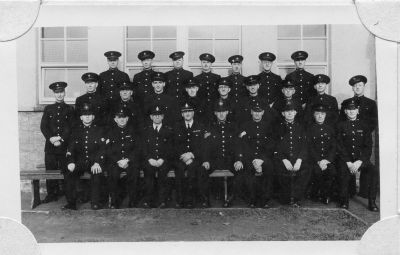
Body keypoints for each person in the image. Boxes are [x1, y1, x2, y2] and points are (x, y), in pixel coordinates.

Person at [336, 100, 378, 211]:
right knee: (342, 170)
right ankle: (344, 201)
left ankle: (372, 202)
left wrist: (360, 161)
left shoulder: (364, 126)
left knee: (373, 170)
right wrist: (349, 162)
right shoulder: (340, 126)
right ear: (345, 111)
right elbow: (339, 146)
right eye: (349, 110)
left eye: (353, 109)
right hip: (346, 160)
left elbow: (368, 147)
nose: (351, 112)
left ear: (357, 110)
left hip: (360, 160)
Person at [64, 103, 106, 210]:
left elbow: (103, 149)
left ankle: (95, 202)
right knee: (69, 173)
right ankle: (71, 203)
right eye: (85, 114)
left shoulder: (99, 130)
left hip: (94, 162)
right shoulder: (75, 130)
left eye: (90, 114)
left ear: (93, 117)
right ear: (81, 117)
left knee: (97, 172)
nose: (87, 116)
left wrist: (98, 162)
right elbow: (71, 148)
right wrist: (71, 162)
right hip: (80, 162)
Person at [202, 100, 243, 207]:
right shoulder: (210, 127)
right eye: (218, 112)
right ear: (215, 113)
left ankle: (230, 197)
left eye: (223, 111)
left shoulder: (233, 127)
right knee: (202, 170)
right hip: (214, 160)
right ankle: (206, 199)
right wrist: (206, 160)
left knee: (240, 169)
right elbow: (206, 146)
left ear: (227, 112)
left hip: (229, 160)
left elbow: (238, 145)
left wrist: (239, 159)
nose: (221, 114)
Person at [40, 81, 74, 203]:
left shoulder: (70, 109)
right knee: (50, 170)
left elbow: (71, 127)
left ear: (65, 93)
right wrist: (51, 139)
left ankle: (67, 194)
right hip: (50, 147)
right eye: (57, 92)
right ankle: (51, 195)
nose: (59, 95)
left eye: (61, 92)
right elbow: (44, 127)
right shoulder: (48, 109)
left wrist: (61, 139)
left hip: (64, 146)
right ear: (54, 94)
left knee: (66, 170)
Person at [238, 103, 275, 208]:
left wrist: (261, 159)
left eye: (259, 112)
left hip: (264, 157)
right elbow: (242, 144)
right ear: (251, 112)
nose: (257, 114)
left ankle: (265, 200)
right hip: (249, 157)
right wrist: (253, 159)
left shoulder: (268, 126)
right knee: (248, 173)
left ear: (263, 112)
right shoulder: (244, 126)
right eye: (255, 111)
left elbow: (271, 144)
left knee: (269, 169)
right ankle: (252, 199)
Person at [274, 101, 310, 207]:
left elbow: (304, 146)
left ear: (295, 113)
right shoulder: (277, 128)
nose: (289, 114)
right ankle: (286, 197)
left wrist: (299, 160)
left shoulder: (301, 128)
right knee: (280, 171)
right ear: (283, 114)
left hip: (298, 159)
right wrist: (284, 160)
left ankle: (297, 199)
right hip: (282, 159)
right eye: (287, 111)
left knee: (305, 170)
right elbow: (275, 146)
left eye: (292, 111)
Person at [174, 102, 208, 208]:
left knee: (193, 169)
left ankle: (190, 200)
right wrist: (184, 156)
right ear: (182, 114)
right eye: (185, 112)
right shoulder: (177, 126)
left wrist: (192, 155)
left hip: (195, 158)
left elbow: (203, 145)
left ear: (193, 113)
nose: (187, 113)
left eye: (189, 111)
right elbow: (174, 144)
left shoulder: (200, 126)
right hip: (181, 158)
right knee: (179, 170)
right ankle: (180, 200)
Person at [105, 107, 141, 209]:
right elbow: (107, 149)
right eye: (119, 117)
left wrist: (128, 159)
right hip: (115, 161)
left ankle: (133, 201)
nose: (121, 119)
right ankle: (114, 202)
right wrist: (118, 160)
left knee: (134, 174)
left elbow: (137, 148)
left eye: (124, 117)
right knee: (113, 175)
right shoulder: (110, 132)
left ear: (127, 119)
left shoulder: (133, 131)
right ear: (115, 119)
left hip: (130, 161)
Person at [141, 105, 174, 208]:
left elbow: (171, 147)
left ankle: (162, 201)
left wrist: (162, 159)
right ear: (151, 117)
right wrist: (149, 159)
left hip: (164, 160)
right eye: (155, 115)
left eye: (159, 115)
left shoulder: (168, 130)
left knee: (163, 173)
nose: (157, 117)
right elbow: (143, 147)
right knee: (148, 173)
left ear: (163, 117)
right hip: (150, 160)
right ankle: (148, 200)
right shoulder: (145, 130)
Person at [307, 104, 337, 204]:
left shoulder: (331, 129)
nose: (320, 116)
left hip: (327, 160)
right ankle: (315, 193)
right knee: (316, 172)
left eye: (322, 114)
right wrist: (319, 161)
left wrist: (327, 160)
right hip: (315, 160)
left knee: (332, 171)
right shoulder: (309, 129)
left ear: (325, 115)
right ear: (314, 115)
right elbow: (309, 147)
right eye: (317, 114)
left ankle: (326, 195)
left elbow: (333, 147)